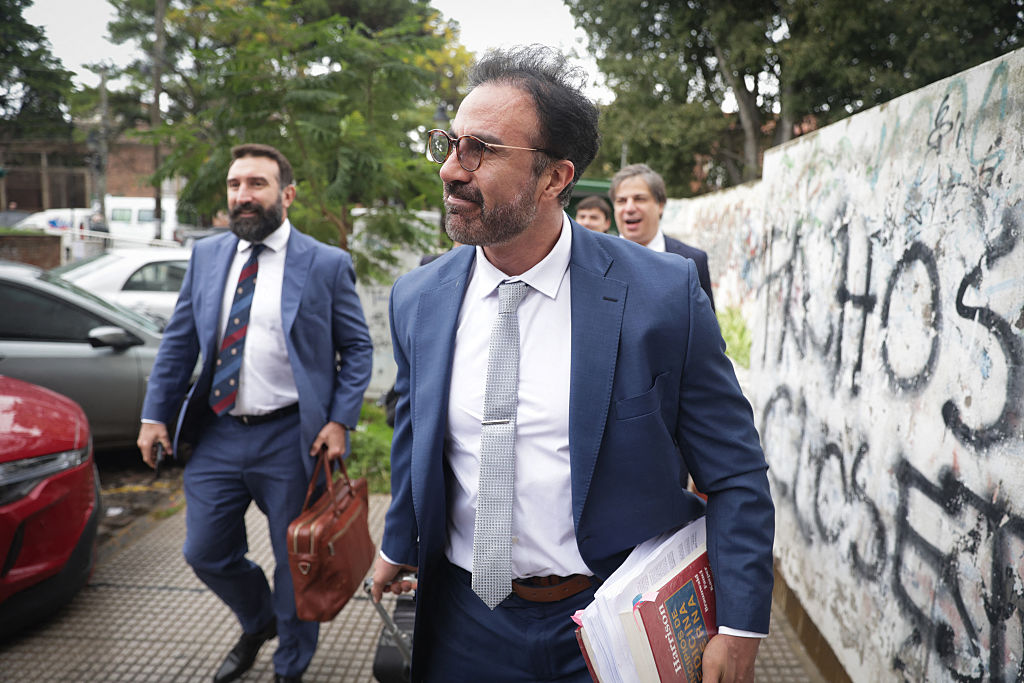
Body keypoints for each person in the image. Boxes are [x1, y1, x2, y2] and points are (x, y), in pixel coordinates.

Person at [371, 46, 773, 682]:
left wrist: (740, 626)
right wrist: (398, 542)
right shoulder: (418, 298)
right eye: (450, 144)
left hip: (615, 619)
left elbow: (735, 472)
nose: (450, 170)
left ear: (555, 178)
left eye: (480, 150)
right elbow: (415, 434)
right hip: (466, 621)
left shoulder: (662, 295)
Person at [137, 143, 373, 683]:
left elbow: (357, 349)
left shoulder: (326, 263)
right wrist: (155, 416)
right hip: (218, 433)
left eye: (256, 184)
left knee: (296, 561)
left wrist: (340, 420)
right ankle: (259, 621)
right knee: (205, 551)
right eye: (235, 184)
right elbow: (179, 342)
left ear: (287, 195)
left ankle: (290, 665)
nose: (243, 195)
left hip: (293, 437)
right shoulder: (207, 256)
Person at [610, 163, 716, 310]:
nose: (629, 208)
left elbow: (705, 323)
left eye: (639, 199)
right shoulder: (596, 260)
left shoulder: (692, 262)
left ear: (660, 205)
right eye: (621, 201)